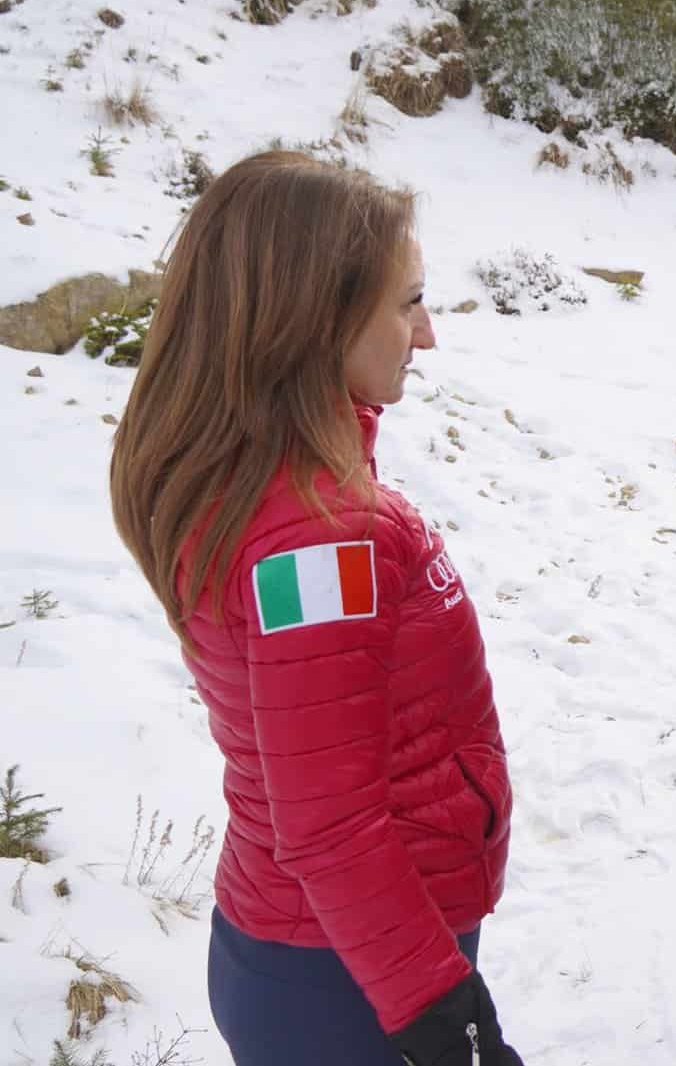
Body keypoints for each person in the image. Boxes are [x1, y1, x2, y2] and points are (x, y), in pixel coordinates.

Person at [108, 152, 525, 1066]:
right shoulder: (320, 534)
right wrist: (440, 1011)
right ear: (320, 319)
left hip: (321, 951)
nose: (427, 336)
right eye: (407, 302)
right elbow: (330, 821)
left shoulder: (267, 479)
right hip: (354, 979)